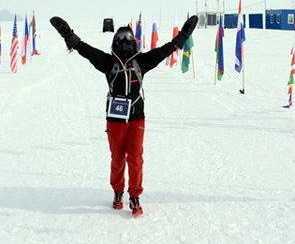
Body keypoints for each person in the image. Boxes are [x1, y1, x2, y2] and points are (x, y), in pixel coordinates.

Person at [50, 14, 198, 217]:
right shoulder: (108, 63)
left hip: (137, 118)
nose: (125, 46)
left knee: (136, 159)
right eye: (121, 42)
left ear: (134, 44)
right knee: (117, 159)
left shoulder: (142, 62)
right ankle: (118, 192)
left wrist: (183, 36)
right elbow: (86, 50)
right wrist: (67, 34)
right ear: (115, 44)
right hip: (115, 120)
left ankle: (135, 195)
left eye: (128, 42)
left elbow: (164, 51)